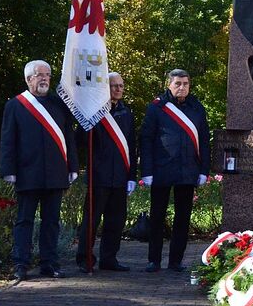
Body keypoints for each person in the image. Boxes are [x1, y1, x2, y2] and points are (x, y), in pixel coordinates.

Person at [0, 60, 79, 281]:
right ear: (28, 79)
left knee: (51, 221)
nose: (44, 78)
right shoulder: (15, 105)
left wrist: (72, 165)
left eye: (48, 74)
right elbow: (8, 141)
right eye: (39, 74)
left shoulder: (60, 104)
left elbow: (68, 137)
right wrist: (9, 170)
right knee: (24, 220)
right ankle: (21, 264)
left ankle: (49, 263)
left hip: (55, 172)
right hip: (27, 172)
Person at [140, 69, 211, 273]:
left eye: (185, 84)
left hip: (187, 171)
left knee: (183, 218)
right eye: (178, 83)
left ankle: (175, 261)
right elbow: (146, 140)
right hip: (162, 170)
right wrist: (147, 171)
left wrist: (203, 170)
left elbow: (204, 141)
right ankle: (154, 260)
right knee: (157, 217)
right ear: (169, 84)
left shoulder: (197, 108)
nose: (182, 87)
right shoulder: (157, 108)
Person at [76, 72, 136, 272]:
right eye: (114, 86)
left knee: (116, 221)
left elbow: (132, 146)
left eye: (121, 85)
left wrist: (132, 176)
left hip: (119, 176)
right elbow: (80, 140)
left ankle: (109, 258)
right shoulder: (94, 112)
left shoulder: (126, 113)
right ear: (105, 88)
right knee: (91, 221)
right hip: (98, 176)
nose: (118, 89)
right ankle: (85, 258)